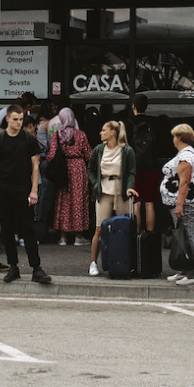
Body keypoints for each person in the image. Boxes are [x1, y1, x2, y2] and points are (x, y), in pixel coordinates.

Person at [0, 106, 49, 284]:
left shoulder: (28, 138)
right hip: (3, 189)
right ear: (7, 119)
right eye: (15, 119)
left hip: (23, 189)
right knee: (7, 229)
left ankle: (36, 268)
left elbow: (35, 165)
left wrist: (34, 190)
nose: (19, 122)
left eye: (21, 119)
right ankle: (13, 267)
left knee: (28, 229)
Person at [87, 120, 136, 277]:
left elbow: (131, 172)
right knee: (99, 228)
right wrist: (96, 184)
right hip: (104, 191)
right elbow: (91, 169)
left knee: (125, 228)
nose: (100, 133)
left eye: (103, 130)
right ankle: (93, 263)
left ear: (113, 133)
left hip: (121, 191)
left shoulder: (127, 151)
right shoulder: (98, 150)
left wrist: (129, 186)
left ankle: (129, 262)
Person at [160, 125, 194, 286]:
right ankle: (183, 270)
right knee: (182, 237)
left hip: (185, 203)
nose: (173, 140)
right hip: (182, 201)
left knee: (188, 236)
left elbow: (184, 182)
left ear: (179, 137)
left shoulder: (186, 157)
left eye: (174, 136)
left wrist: (179, 205)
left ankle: (193, 273)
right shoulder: (185, 154)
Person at [46, 108, 93, 246]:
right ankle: (78, 237)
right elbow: (89, 154)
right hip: (78, 169)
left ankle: (63, 237)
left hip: (63, 170)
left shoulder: (57, 135)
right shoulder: (81, 135)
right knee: (79, 202)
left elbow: (51, 155)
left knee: (63, 202)